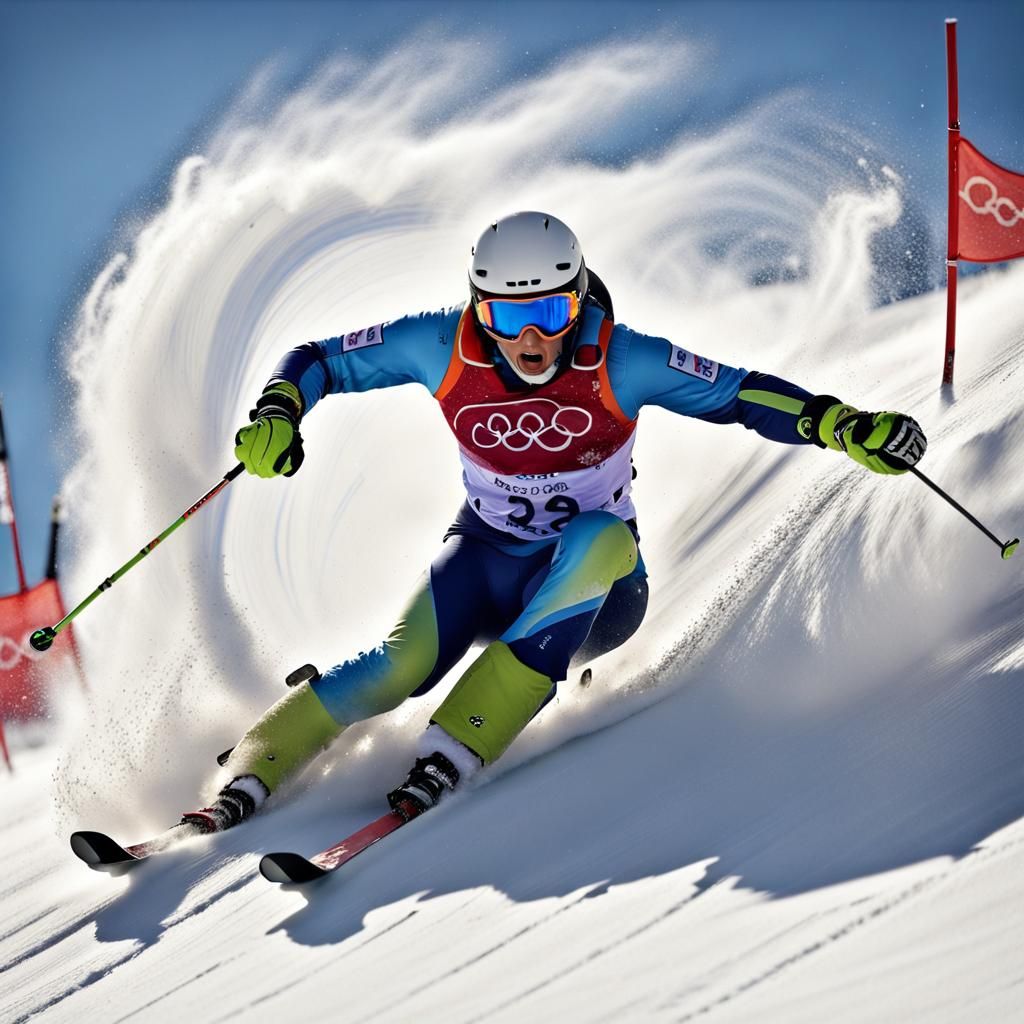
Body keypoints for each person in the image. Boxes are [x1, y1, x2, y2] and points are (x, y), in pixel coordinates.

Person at [180, 211, 927, 833]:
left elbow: (739, 395)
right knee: (398, 667)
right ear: (480, 308)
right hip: (484, 559)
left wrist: (837, 423)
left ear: (579, 302)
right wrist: (280, 409)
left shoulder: (621, 358)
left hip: (599, 592)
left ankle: (464, 735)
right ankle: (260, 758)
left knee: (599, 537)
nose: (532, 338)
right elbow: (320, 359)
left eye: (551, 312)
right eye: (510, 315)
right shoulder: (439, 345)